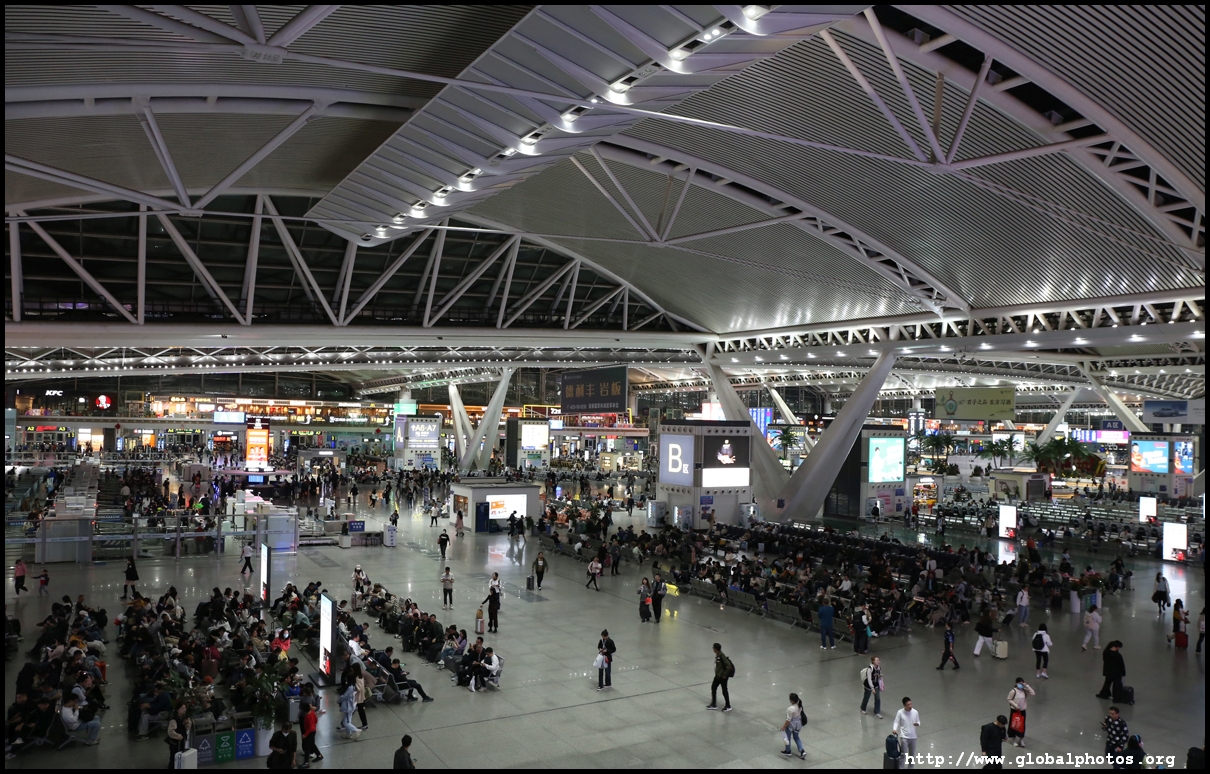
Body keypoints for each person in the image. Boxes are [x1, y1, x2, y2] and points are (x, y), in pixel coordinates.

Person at [1006, 677, 1035, 748]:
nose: (1021, 685)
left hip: (1022, 710)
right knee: (1014, 724)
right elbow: (1009, 699)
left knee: (1021, 725)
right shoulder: (1013, 691)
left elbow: (1033, 693)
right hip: (1015, 710)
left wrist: (1026, 685)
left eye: (1022, 683)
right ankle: (1014, 739)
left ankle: (1021, 739)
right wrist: (1015, 705)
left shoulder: (1024, 691)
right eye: (1020, 683)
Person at [892, 697, 920, 768]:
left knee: (912, 755)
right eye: (908, 705)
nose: (910, 706)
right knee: (903, 755)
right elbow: (896, 721)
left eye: (911, 704)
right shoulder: (900, 712)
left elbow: (918, 721)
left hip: (913, 737)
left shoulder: (915, 712)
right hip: (904, 737)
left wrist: (917, 724)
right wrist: (894, 729)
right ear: (904, 705)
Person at [706, 642, 734, 712]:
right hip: (718, 676)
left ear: (716, 649)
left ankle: (728, 705)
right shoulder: (718, 655)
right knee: (713, 687)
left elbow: (728, 665)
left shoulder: (722, 656)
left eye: (713, 648)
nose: (713, 649)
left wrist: (724, 675)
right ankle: (713, 704)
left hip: (722, 677)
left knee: (724, 690)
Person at [779, 693, 807, 759]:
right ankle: (802, 751)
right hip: (798, 724)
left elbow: (788, 720)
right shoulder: (799, 706)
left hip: (791, 725)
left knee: (787, 737)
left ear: (791, 700)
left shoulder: (790, 709)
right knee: (796, 737)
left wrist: (783, 727)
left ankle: (788, 751)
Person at [299, 700, 322, 767]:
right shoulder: (312, 712)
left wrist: (305, 734)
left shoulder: (307, 717)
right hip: (313, 731)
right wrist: (314, 725)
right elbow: (316, 720)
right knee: (312, 744)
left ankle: (306, 763)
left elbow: (310, 728)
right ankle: (319, 755)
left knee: (307, 747)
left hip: (310, 732)